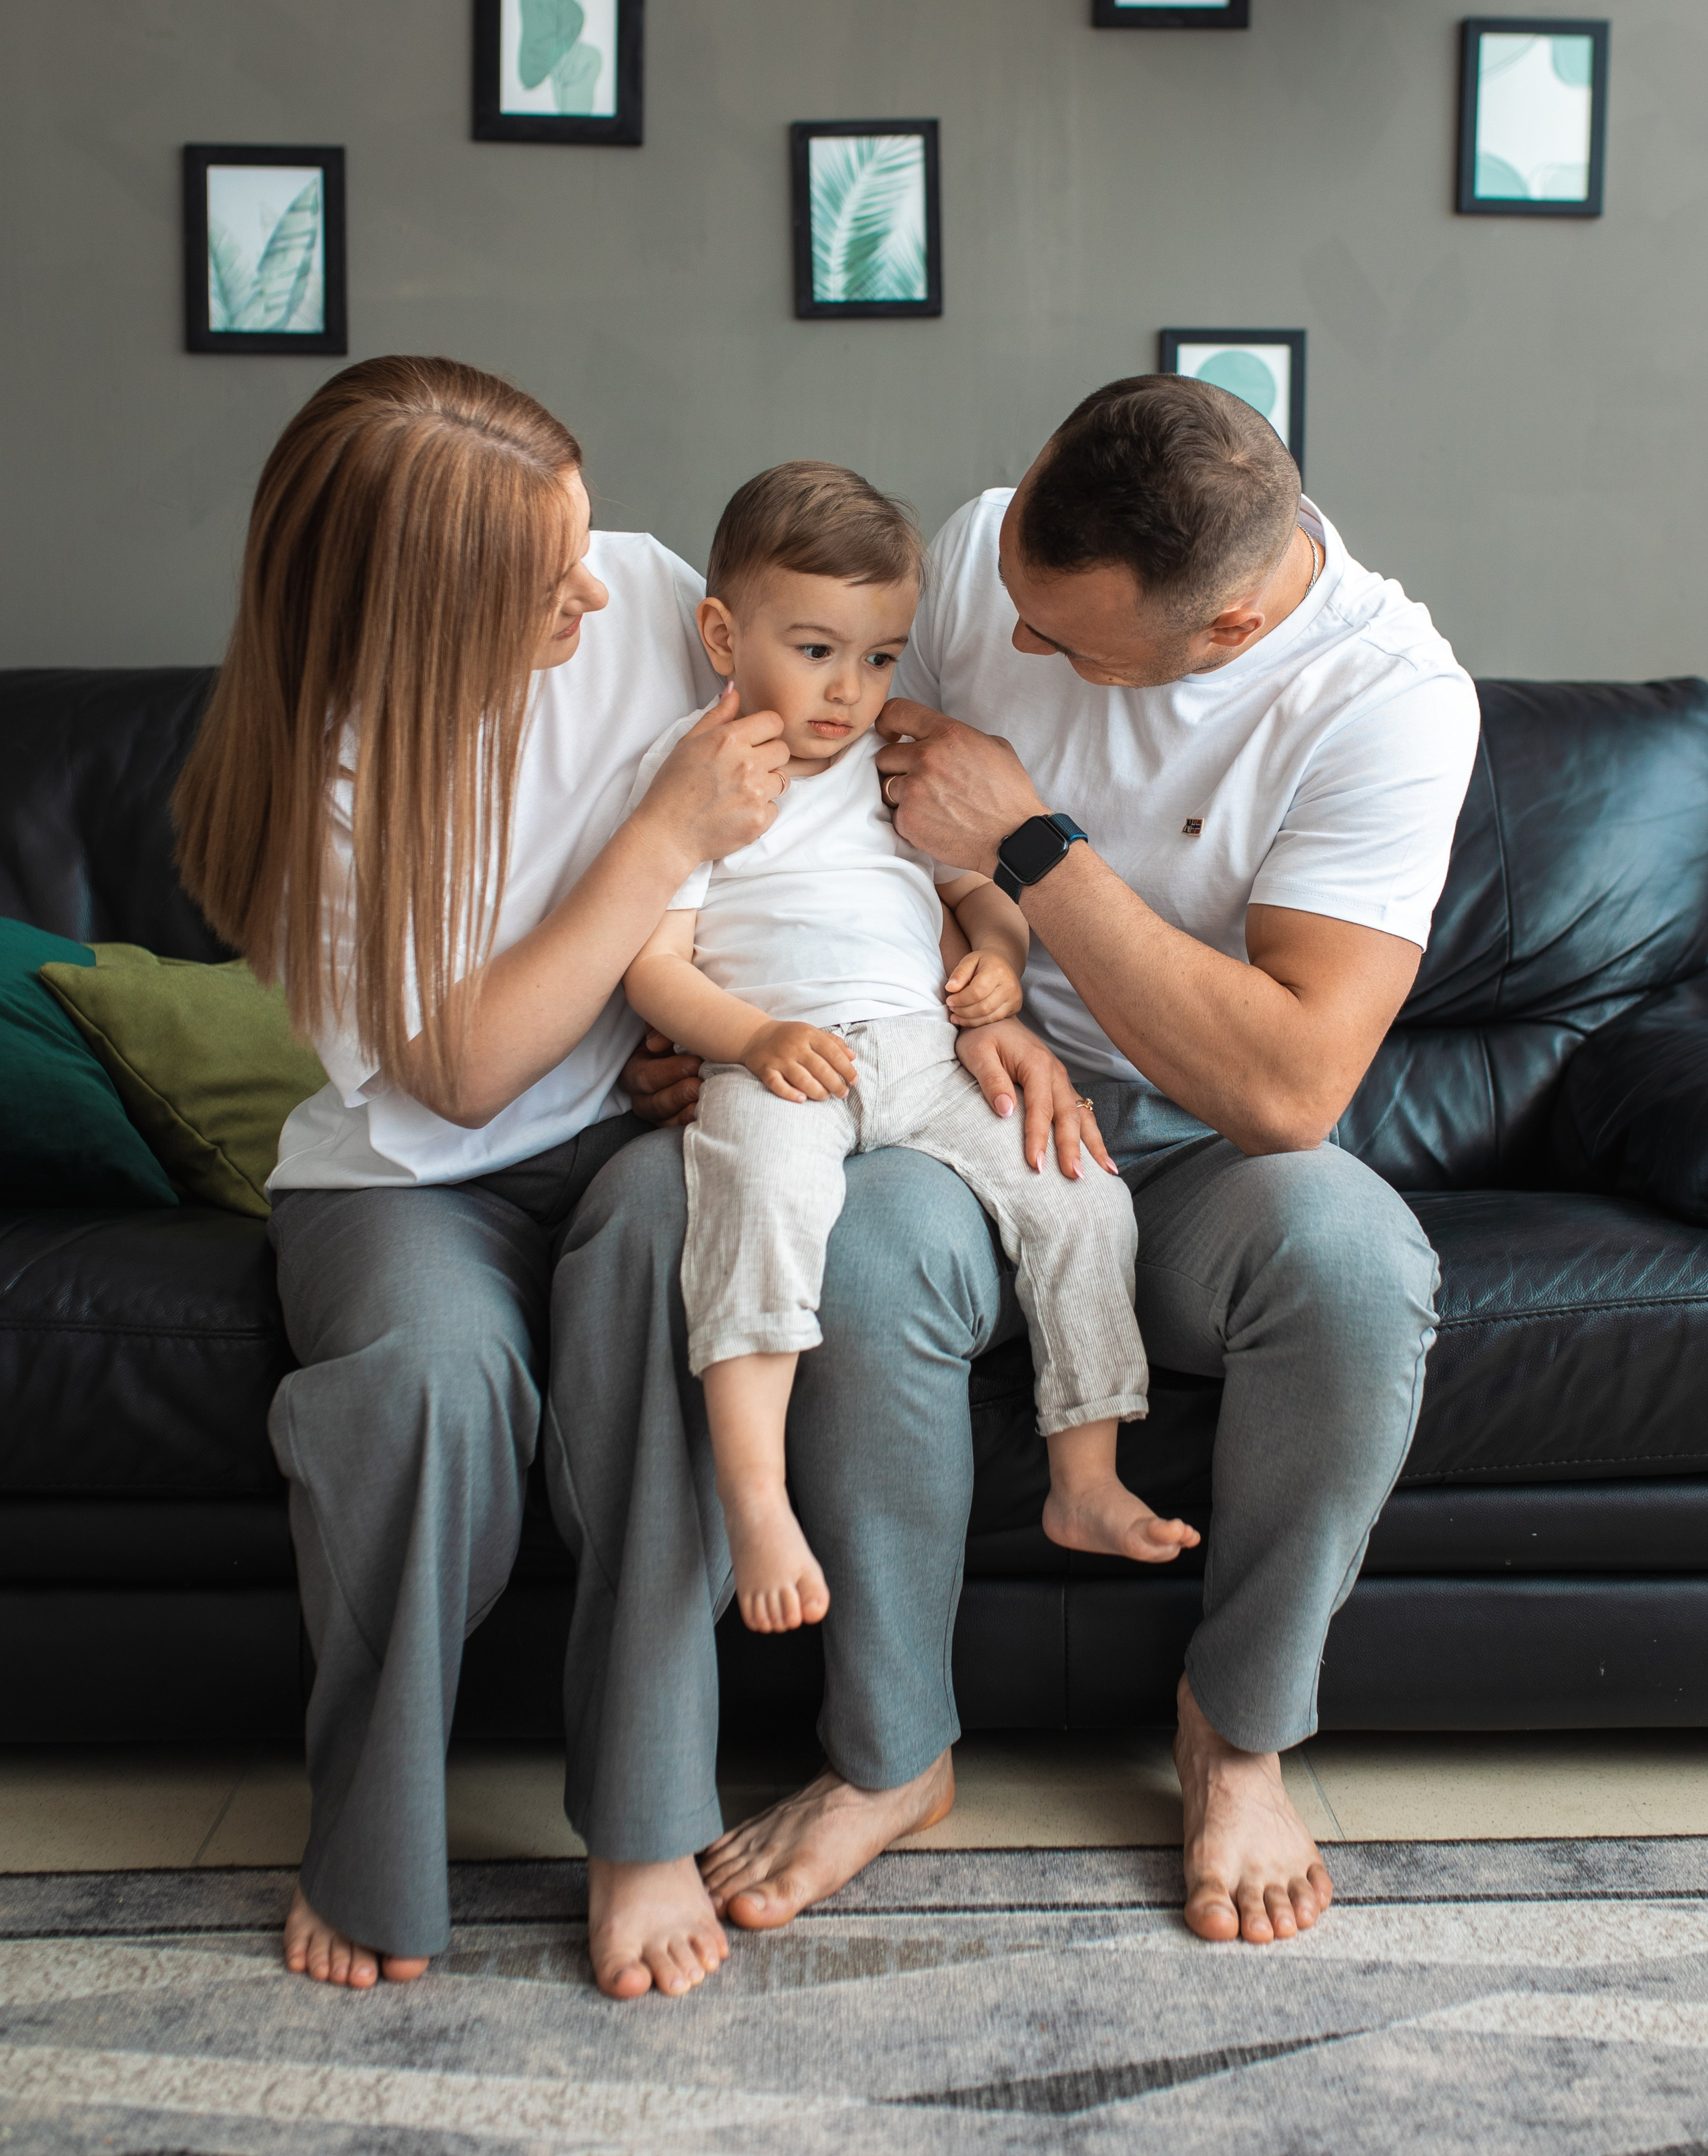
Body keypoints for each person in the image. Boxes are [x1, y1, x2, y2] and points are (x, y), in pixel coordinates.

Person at [171, 354, 795, 1993]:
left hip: (620, 1133)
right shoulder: (323, 775)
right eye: (543, 579)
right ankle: (369, 1828)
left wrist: (712, 1016)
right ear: (416, 611)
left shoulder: (657, 597)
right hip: (402, 1180)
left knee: (687, 1259)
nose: (602, 585)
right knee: (432, 1383)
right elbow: (455, 1071)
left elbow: (818, 777)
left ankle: (648, 1821)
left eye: (586, 536)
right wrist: (659, 837)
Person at [864, 373, 1482, 1945]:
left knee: (1353, 1264)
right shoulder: (980, 553)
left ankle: (1237, 1730)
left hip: (1203, 1156)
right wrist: (963, 987)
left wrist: (1035, 845)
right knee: (858, 1262)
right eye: (1007, 601)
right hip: (958, 1102)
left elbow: (1285, 1087)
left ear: (1216, 631)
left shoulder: (1383, 698)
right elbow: (867, 826)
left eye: (1062, 645)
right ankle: (888, 1747)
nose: (1009, 648)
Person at [621, 462, 1195, 1634]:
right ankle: (757, 1499)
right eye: (817, 649)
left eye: (880, 656)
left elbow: (981, 886)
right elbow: (652, 964)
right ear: (725, 635)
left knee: (1080, 1192)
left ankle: (1084, 1479)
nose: (850, 691)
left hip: (929, 1062)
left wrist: (997, 957)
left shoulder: (896, 759)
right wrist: (754, 1036)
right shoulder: (704, 772)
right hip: (779, 1064)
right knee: (758, 1214)